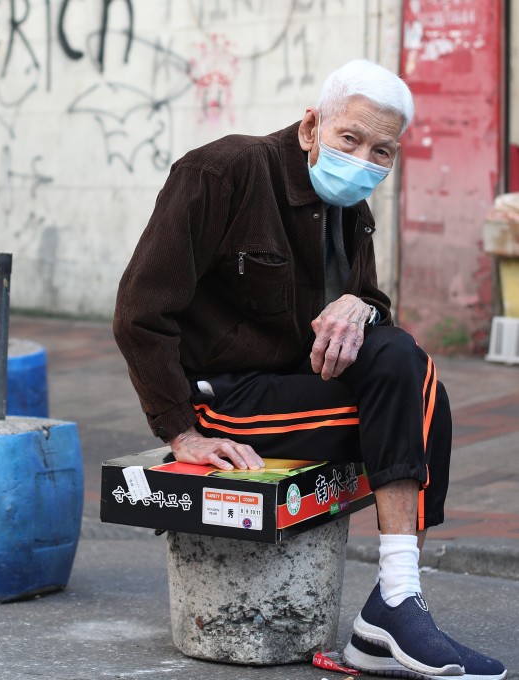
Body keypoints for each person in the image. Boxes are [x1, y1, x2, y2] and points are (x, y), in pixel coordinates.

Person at [112, 59, 506, 679]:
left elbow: (369, 308)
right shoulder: (223, 172)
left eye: (383, 150)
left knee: (405, 366)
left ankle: (396, 605)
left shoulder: (352, 207)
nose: (364, 159)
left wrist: (360, 304)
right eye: (350, 139)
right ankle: (394, 608)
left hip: (299, 388)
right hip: (228, 398)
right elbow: (140, 310)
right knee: (421, 394)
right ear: (310, 127)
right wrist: (180, 431)